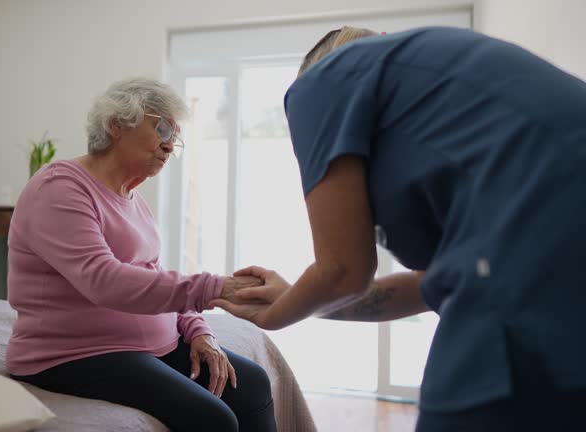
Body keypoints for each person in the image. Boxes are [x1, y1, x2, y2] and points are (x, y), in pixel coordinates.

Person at [211, 26, 586, 431]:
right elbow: (424, 286)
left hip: (538, 258)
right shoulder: (453, 97)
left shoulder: (322, 82)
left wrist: (275, 316)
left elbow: (342, 271)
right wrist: (296, 299)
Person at [5, 78, 277, 432]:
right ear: (117, 124)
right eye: (161, 127)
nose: (169, 145)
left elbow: (153, 274)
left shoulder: (135, 202)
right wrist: (216, 288)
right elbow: (104, 281)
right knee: (213, 419)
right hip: (75, 353)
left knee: (252, 383)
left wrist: (198, 331)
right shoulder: (59, 188)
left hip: (149, 344)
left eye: (175, 136)